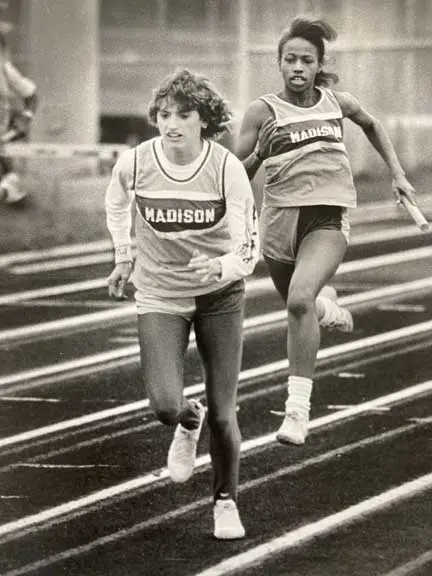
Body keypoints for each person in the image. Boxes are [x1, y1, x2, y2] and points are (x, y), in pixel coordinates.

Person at [236, 16, 416, 446]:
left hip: (327, 220)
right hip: (278, 224)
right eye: (290, 60)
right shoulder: (262, 112)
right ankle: (326, 306)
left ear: (319, 65)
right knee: (303, 304)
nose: (298, 67)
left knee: (297, 300)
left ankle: (297, 411)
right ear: (279, 64)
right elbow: (233, 175)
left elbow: (372, 125)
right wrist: (260, 155)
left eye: (307, 60)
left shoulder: (338, 103)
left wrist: (397, 175)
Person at [105, 68, 259, 539]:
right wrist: (123, 255)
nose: (171, 123)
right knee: (164, 402)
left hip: (219, 296)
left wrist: (223, 267)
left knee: (224, 410)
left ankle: (225, 500)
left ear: (204, 121)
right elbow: (115, 204)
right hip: (159, 293)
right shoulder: (134, 163)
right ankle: (185, 422)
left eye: (183, 115)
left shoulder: (225, 168)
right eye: (164, 114)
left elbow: (248, 245)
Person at [0, 13, 38, 205]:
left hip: (3, 140)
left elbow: (32, 96)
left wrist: (24, 119)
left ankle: (10, 189)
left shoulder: (5, 70)